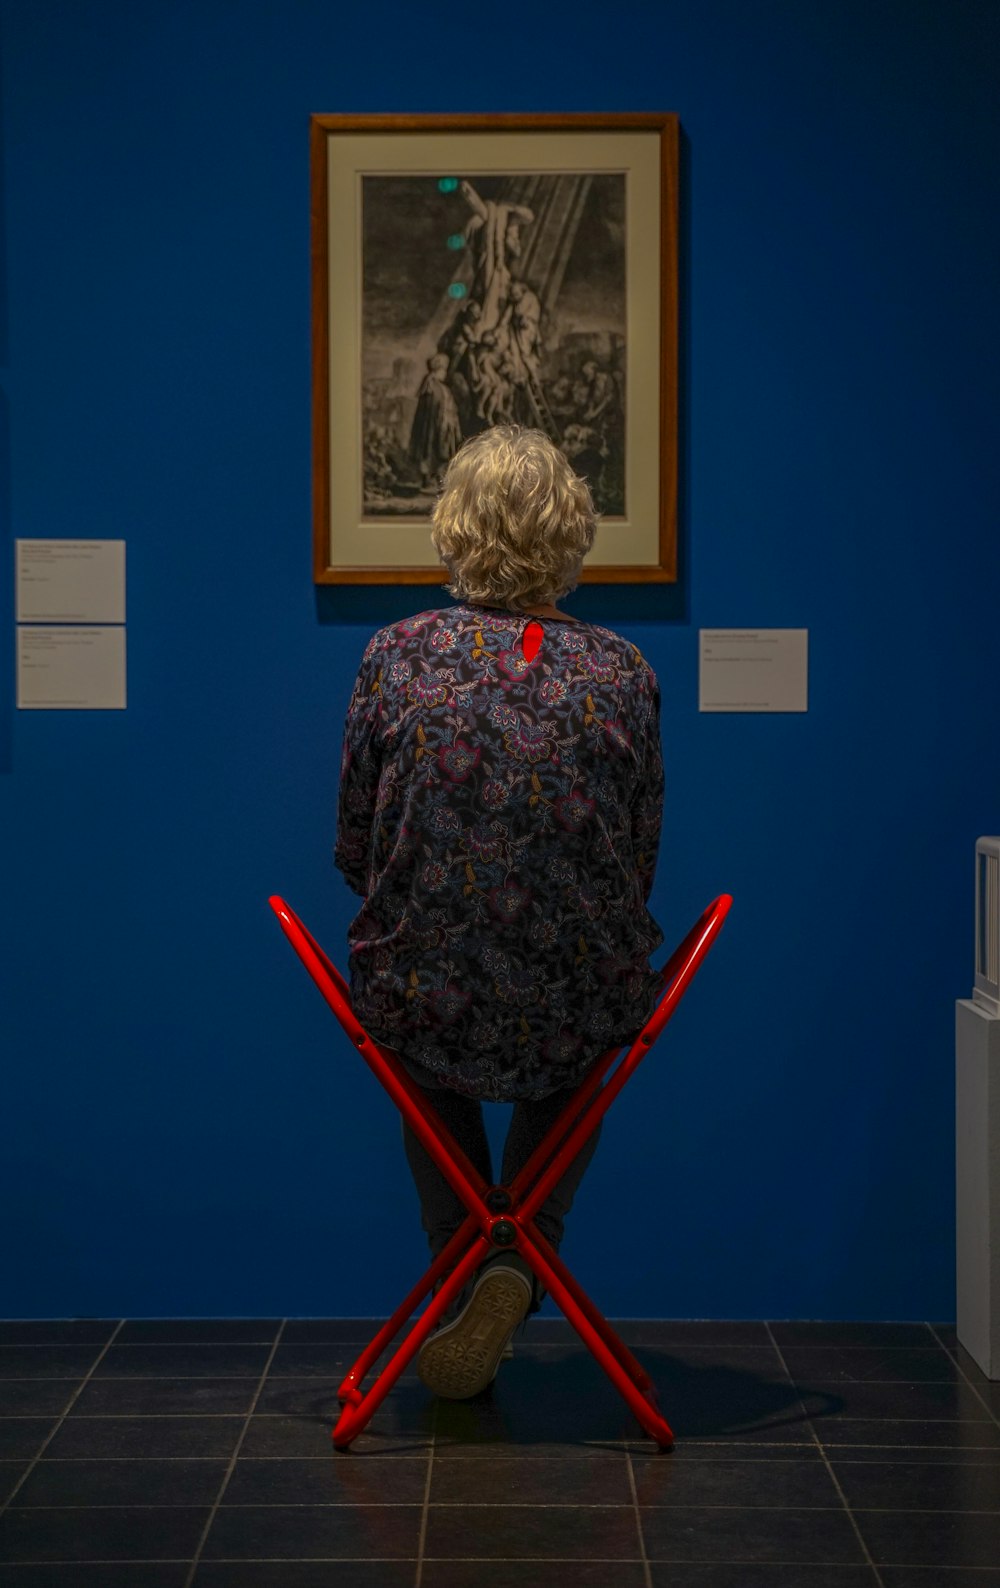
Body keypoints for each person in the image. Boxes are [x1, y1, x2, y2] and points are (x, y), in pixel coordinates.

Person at [334, 425, 664, 1399]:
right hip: (572, 1002)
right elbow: (634, 864)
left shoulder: (394, 657)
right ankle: (520, 1260)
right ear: (571, 534)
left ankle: (464, 1265)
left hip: (425, 995)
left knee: (403, 984)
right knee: (602, 983)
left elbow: (356, 850)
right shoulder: (623, 672)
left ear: (450, 531)